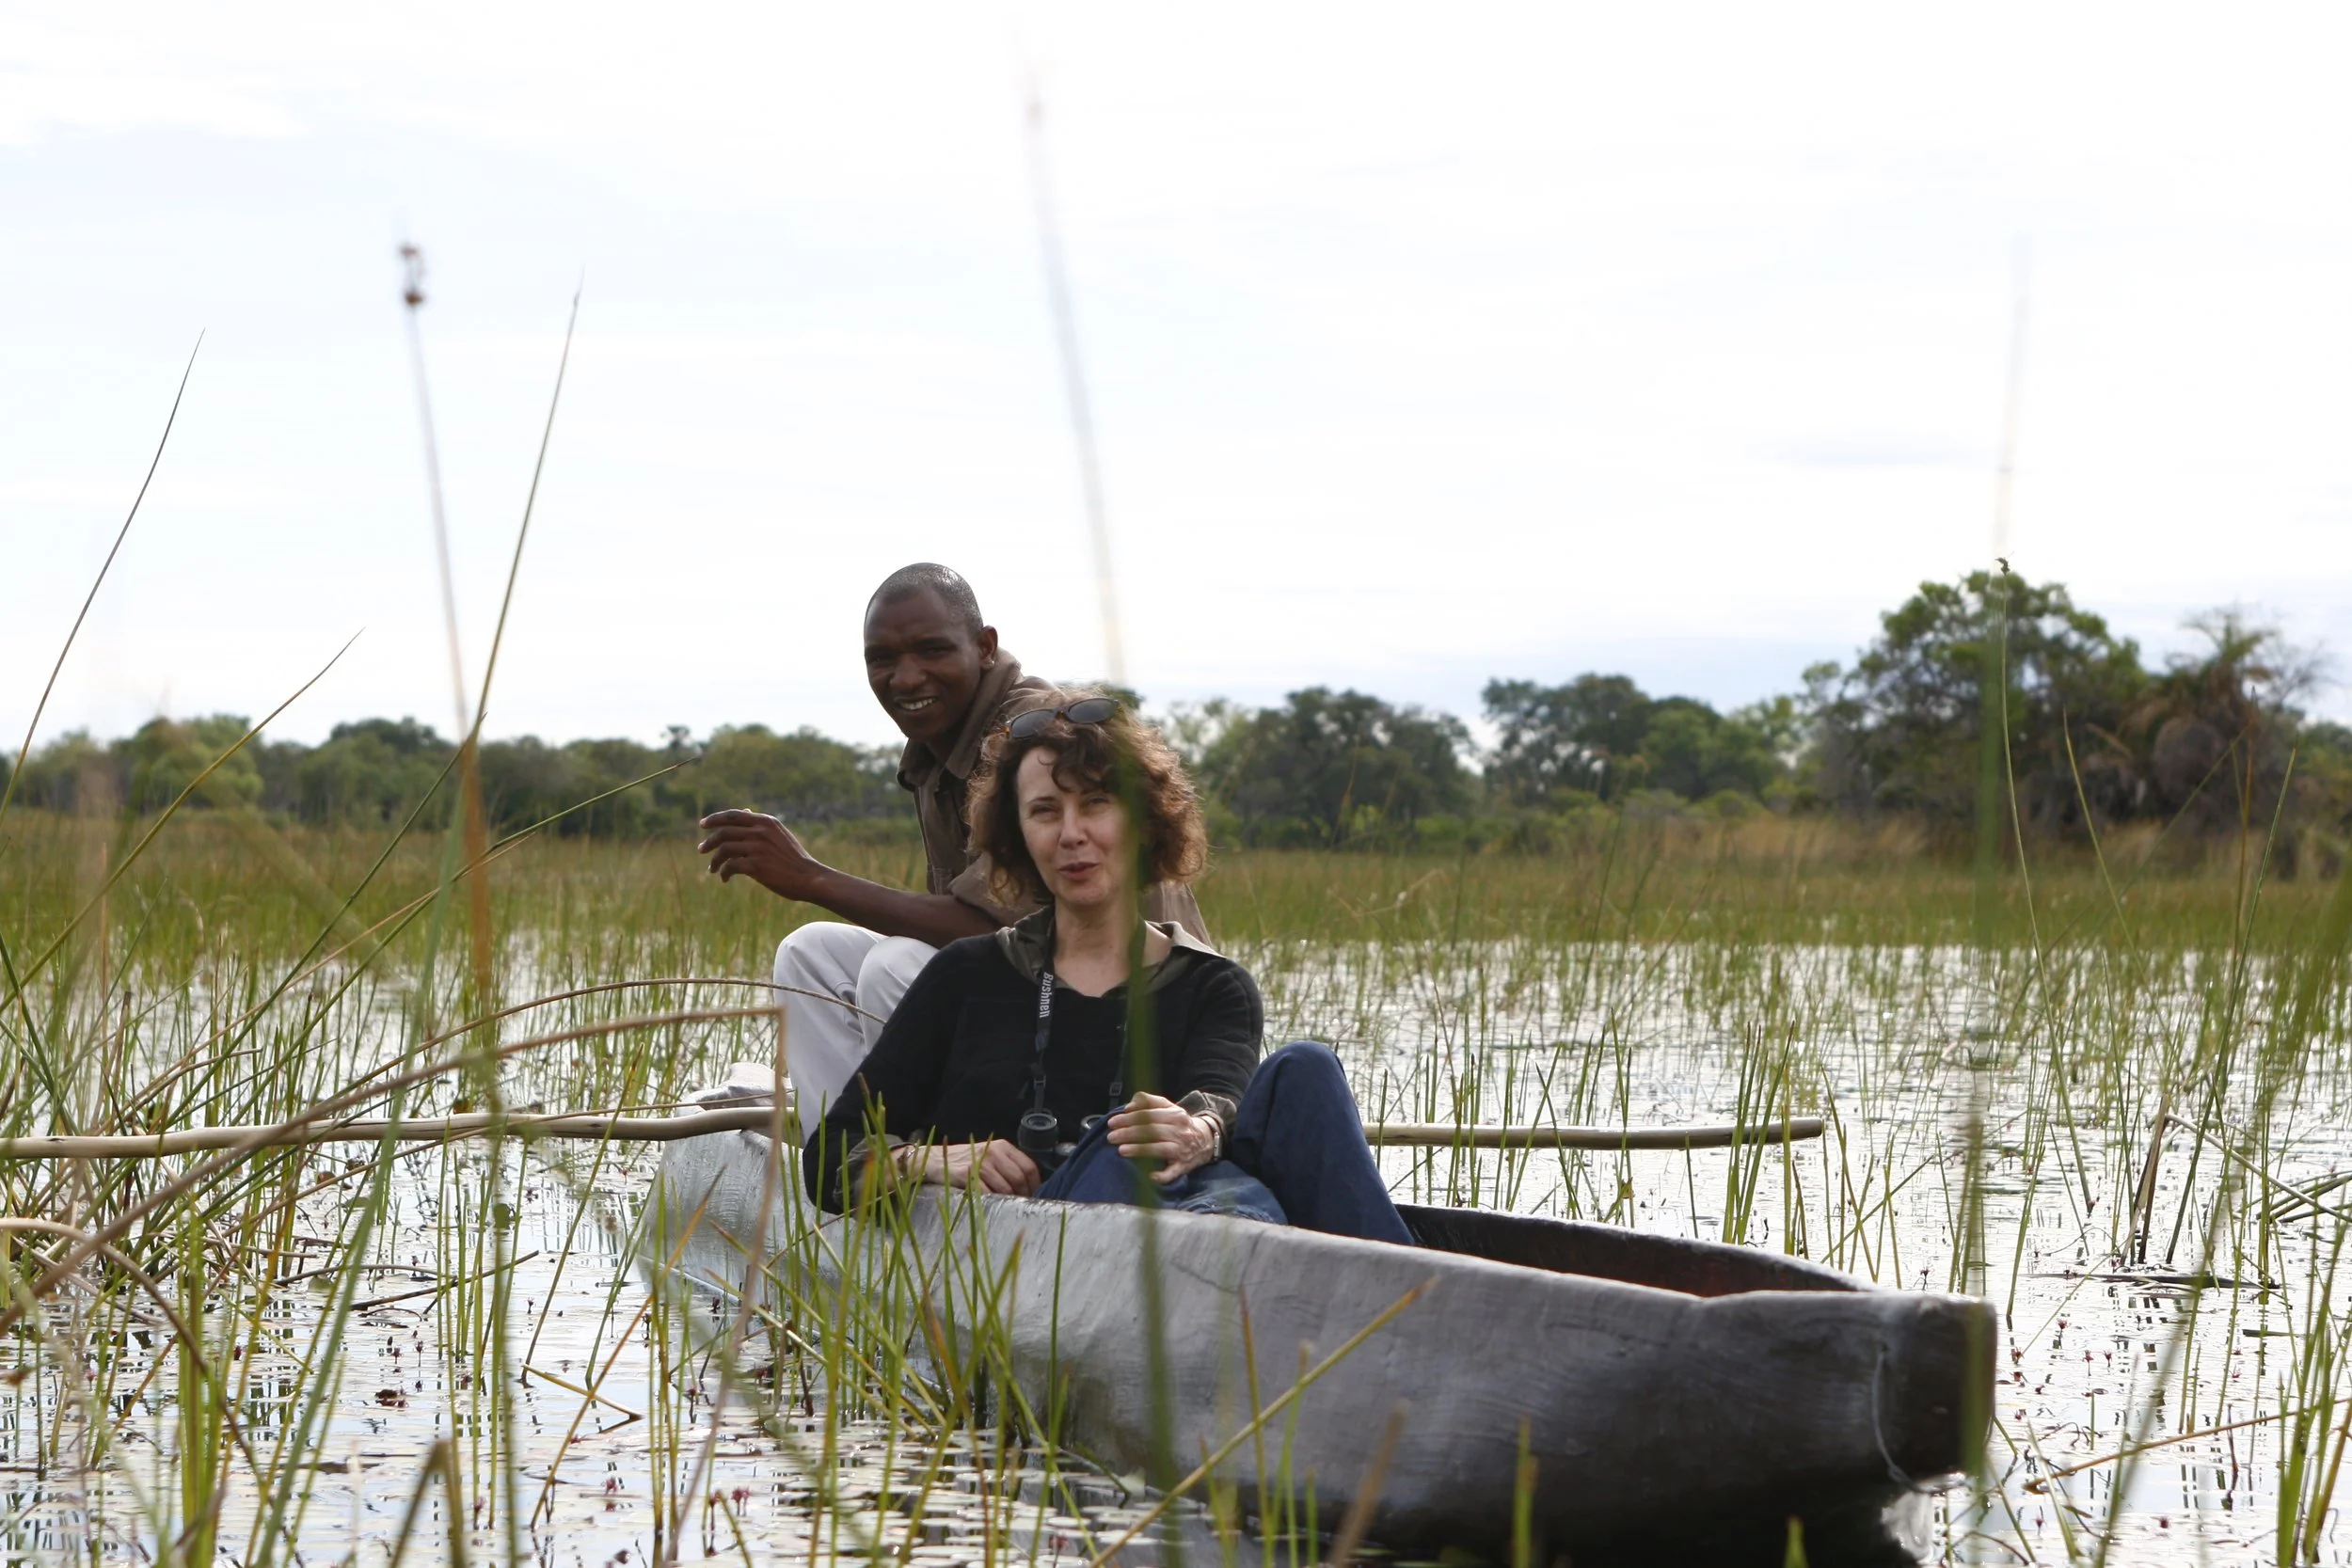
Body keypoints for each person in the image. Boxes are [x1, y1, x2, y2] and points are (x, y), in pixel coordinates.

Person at [803, 692, 1413, 1246]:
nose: (1073, 834)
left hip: (1198, 1227)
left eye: (1097, 804)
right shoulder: (966, 976)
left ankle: (1410, 1291)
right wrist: (935, 1161)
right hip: (1045, 1256)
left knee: (1304, 1067)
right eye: (1045, 811)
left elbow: (1221, 1100)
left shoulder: (1212, 985)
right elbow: (827, 1157)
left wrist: (1196, 1129)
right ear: (1018, 835)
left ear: (1146, 824)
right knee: (1117, 1148)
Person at [696, 563, 1207, 1117]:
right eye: (883, 660)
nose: (907, 678)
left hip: (1147, 1024)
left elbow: (991, 926)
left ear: (985, 648)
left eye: (932, 650)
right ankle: (848, 1161)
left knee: (894, 966)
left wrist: (812, 878)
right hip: (1052, 994)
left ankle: (968, 1166)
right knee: (811, 952)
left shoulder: (1032, 737)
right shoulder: (936, 746)